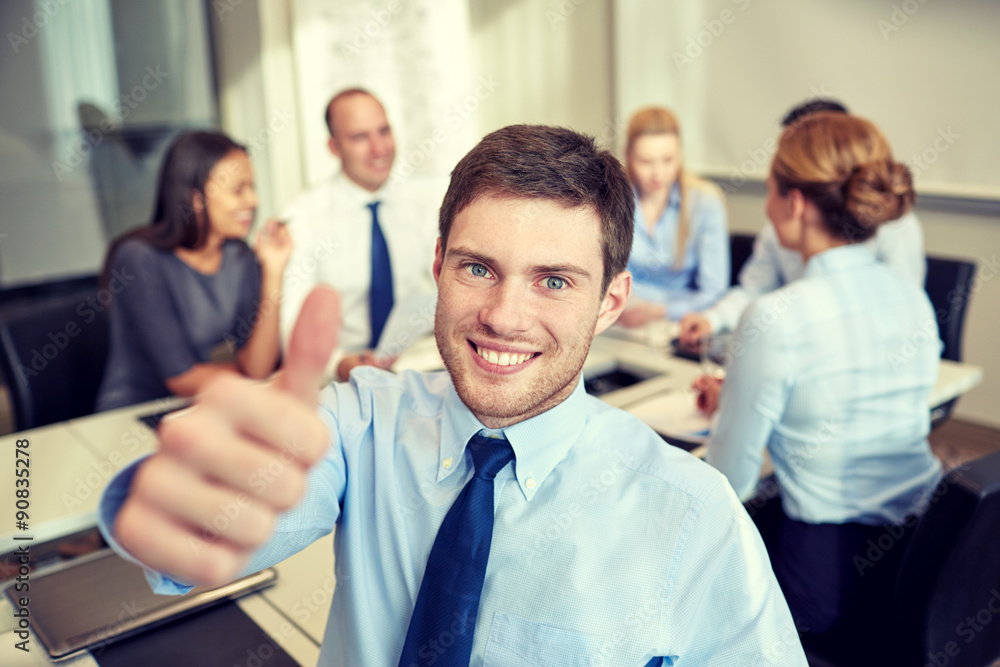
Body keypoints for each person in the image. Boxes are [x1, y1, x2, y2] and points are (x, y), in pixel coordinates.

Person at [98, 125, 806, 666]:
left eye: (553, 281)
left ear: (610, 302)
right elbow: (215, 516)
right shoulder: (359, 422)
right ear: (438, 265)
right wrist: (177, 504)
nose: (504, 316)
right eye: (478, 268)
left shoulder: (695, 515)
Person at [696, 112, 942, 662]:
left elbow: (728, 483)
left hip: (827, 581)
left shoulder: (775, 317)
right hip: (921, 553)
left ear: (796, 203)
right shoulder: (914, 299)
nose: (766, 206)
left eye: (769, 189)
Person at [678, 99, 925, 346]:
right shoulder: (780, 229)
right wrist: (712, 319)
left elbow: (900, 311)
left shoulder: (893, 225)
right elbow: (755, 288)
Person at [95, 131, 291, 411]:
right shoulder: (139, 258)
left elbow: (259, 365)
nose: (253, 200)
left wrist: (274, 271)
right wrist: (252, 377)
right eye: (238, 190)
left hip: (206, 405)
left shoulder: (239, 255)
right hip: (135, 414)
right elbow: (183, 379)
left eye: (252, 187)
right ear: (195, 198)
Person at [279, 88, 441, 381]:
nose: (378, 149)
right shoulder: (303, 218)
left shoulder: (422, 207)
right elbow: (290, 326)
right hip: (338, 375)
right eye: (360, 137)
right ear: (334, 147)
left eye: (384, 131)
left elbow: (448, 288)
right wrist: (341, 364)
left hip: (413, 365)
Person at [617, 106, 729, 327]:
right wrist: (623, 308)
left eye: (668, 160)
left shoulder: (705, 203)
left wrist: (661, 312)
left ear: (680, 155)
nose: (658, 174)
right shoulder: (614, 201)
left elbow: (714, 291)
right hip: (621, 318)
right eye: (646, 162)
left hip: (679, 321)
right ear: (629, 156)